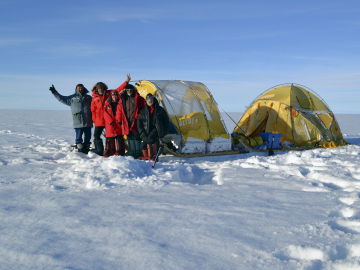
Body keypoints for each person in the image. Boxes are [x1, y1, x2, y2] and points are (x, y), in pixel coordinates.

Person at [90, 74, 131, 156]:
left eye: (102, 88)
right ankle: (100, 150)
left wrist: (126, 82)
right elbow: (93, 110)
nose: (100, 90)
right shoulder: (94, 98)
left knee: (112, 135)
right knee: (96, 136)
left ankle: (116, 150)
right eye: (99, 88)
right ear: (96, 89)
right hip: (99, 121)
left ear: (104, 88)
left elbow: (118, 89)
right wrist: (93, 120)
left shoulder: (109, 93)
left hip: (109, 120)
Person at [49, 83, 92, 153]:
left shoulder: (89, 98)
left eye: (81, 87)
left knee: (88, 136)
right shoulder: (72, 98)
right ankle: (80, 148)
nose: (80, 89)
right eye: (78, 88)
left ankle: (86, 148)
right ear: (76, 89)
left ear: (84, 88)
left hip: (88, 120)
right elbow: (61, 98)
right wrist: (54, 92)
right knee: (79, 137)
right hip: (78, 121)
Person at [116, 84, 146, 158]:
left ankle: (138, 152)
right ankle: (132, 151)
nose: (129, 91)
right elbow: (119, 110)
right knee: (129, 136)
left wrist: (142, 118)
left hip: (136, 121)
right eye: (127, 90)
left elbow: (144, 109)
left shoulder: (139, 98)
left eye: (130, 90)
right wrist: (119, 120)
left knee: (136, 136)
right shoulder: (123, 99)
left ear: (133, 90)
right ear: (125, 91)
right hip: (126, 121)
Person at [137, 93, 169, 160]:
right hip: (145, 132)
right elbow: (139, 123)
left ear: (153, 99)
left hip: (156, 131)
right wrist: (142, 133)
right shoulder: (142, 111)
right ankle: (146, 157)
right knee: (144, 144)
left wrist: (163, 132)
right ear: (146, 100)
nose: (150, 100)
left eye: (151, 99)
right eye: (148, 99)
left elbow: (166, 122)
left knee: (152, 141)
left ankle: (153, 156)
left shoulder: (160, 110)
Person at [103, 91, 125, 157]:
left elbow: (121, 113)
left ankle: (120, 152)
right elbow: (105, 114)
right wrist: (110, 121)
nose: (114, 97)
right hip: (110, 124)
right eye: (113, 96)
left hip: (118, 123)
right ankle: (109, 153)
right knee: (110, 139)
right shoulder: (107, 104)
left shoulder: (120, 103)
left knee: (119, 138)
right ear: (111, 96)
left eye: (115, 95)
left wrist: (119, 120)